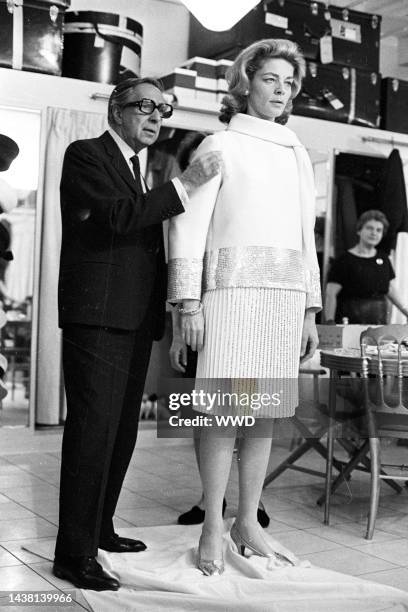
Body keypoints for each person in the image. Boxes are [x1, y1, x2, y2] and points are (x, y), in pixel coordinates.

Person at [54, 77, 222, 591]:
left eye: (163, 109)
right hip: (97, 320)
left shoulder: (141, 171)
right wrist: (187, 183)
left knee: (122, 433)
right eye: (145, 106)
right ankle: (72, 555)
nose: (156, 116)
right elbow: (115, 218)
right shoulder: (85, 155)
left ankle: (100, 528)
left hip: (131, 322)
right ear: (117, 110)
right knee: (92, 435)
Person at [168, 39, 320, 576]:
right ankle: (213, 521)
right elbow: (185, 221)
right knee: (222, 411)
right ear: (246, 82)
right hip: (229, 296)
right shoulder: (221, 144)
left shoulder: (297, 151)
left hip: (284, 300)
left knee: (266, 412)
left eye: (289, 83)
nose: (281, 91)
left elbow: (307, 235)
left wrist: (309, 312)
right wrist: (188, 302)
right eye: (271, 79)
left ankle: (248, 521)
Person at [170, 132, 270, 528]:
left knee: (249, 412)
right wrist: (179, 330)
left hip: (239, 319)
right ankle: (208, 498)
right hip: (197, 323)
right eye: (199, 162)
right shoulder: (182, 206)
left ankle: (252, 501)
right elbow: (177, 270)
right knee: (205, 417)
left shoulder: (238, 204)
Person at [324, 210, 408, 324]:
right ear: (359, 230)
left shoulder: (384, 259)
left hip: (378, 324)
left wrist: (406, 311)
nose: (374, 233)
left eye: (379, 230)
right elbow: (331, 294)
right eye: (369, 228)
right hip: (349, 323)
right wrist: (329, 321)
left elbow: (390, 289)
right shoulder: (344, 260)